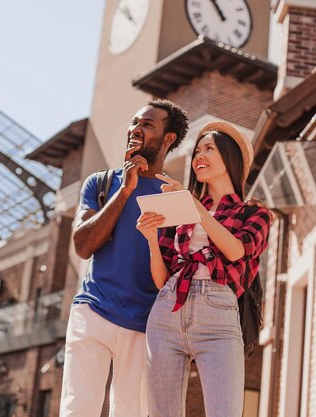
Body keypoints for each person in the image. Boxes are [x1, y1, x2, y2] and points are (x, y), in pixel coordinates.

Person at [59, 99, 189, 417]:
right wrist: (125, 191)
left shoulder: (175, 197)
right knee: (77, 410)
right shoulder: (101, 184)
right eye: (134, 122)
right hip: (92, 311)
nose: (135, 129)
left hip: (143, 325)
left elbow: (173, 274)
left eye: (147, 125)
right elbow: (82, 245)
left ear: (168, 138)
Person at [136, 121, 273, 417]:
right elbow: (162, 279)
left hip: (218, 315)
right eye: (197, 150)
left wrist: (194, 206)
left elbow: (236, 250)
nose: (200, 155)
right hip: (167, 311)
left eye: (209, 148)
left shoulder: (254, 212)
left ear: (230, 158)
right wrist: (150, 238)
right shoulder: (181, 212)